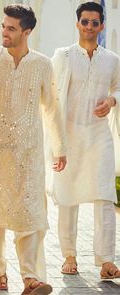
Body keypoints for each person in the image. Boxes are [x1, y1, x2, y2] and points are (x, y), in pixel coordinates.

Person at [0, 4, 66, 295]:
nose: (4, 32)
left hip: (29, 154)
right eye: (3, 26)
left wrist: (60, 147)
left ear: (27, 31)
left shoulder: (41, 64)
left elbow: (51, 108)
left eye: (11, 28)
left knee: (29, 213)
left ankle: (30, 277)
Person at [50, 1, 120, 279]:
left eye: (95, 22)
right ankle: (69, 254)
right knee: (68, 197)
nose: (89, 27)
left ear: (102, 26)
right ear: (77, 24)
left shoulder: (112, 60)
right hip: (69, 136)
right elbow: (52, 99)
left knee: (104, 195)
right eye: (85, 22)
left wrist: (113, 100)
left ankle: (106, 261)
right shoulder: (63, 56)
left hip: (99, 136)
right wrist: (57, 144)